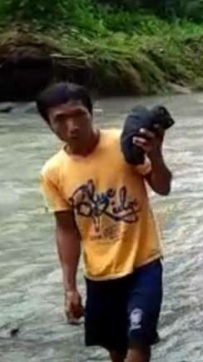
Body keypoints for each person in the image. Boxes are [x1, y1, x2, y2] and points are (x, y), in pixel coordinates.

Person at [38, 83, 172, 362]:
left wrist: (156, 154)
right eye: (60, 120)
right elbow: (66, 230)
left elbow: (162, 187)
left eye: (79, 115)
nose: (72, 126)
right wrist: (70, 288)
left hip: (143, 265)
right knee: (116, 350)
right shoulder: (53, 172)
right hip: (99, 275)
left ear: (91, 113)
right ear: (48, 124)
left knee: (139, 344)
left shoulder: (123, 143)